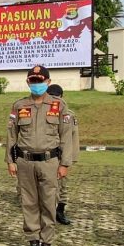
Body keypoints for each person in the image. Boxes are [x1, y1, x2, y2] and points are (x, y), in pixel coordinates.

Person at [5, 65, 73, 246]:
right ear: (28, 82)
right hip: (25, 162)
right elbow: (11, 135)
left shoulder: (59, 105)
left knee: (49, 204)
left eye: (40, 81)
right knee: (29, 203)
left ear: (48, 82)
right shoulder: (19, 105)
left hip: (49, 162)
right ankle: (33, 245)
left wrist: (65, 163)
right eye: (33, 81)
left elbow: (66, 136)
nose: (37, 84)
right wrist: (10, 160)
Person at [46, 84, 78, 225]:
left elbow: (70, 136)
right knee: (60, 184)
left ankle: (57, 211)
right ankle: (56, 210)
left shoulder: (68, 114)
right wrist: (71, 158)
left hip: (56, 154)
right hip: (56, 155)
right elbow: (74, 138)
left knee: (56, 184)